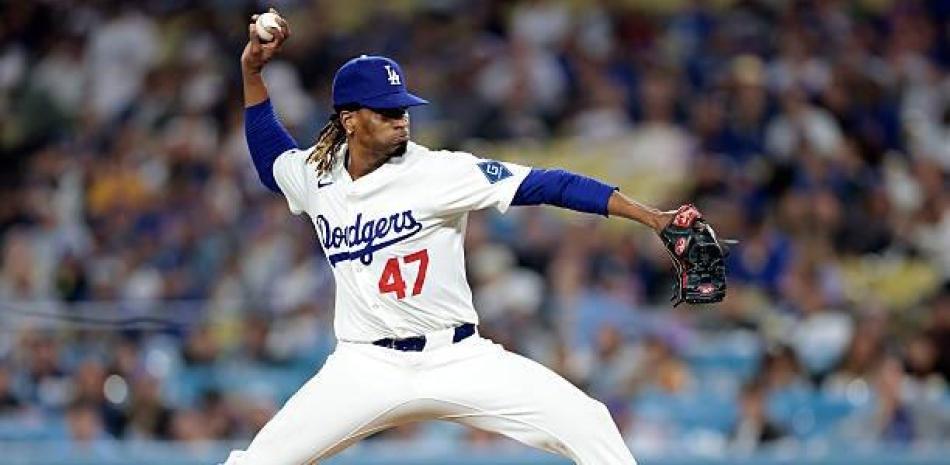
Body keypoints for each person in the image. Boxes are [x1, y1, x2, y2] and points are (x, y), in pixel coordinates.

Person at [226, 10, 685, 465]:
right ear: (349, 119)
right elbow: (271, 159)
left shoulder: (438, 171)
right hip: (364, 367)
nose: (401, 120)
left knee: (588, 421)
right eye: (386, 111)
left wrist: (650, 217)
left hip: (456, 357)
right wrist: (251, 72)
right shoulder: (318, 175)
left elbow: (550, 185)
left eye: (403, 108)